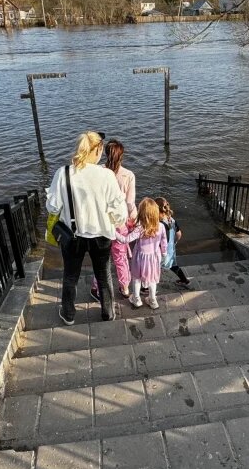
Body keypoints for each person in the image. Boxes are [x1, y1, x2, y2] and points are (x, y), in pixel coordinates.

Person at [46, 131, 127, 325]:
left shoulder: (63, 173)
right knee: (104, 276)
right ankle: (108, 313)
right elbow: (120, 214)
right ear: (99, 150)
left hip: (72, 236)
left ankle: (68, 314)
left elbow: (52, 207)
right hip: (101, 236)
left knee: (70, 276)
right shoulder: (107, 175)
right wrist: (111, 221)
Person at [92, 139, 137, 299]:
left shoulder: (97, 172)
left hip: (101, 224)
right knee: (120, 257)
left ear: (105, 154)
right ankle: (124, 287)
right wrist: (134, 219)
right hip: (120, 223)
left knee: (101, 259)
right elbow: (130, 203)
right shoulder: (128, 175)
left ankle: (97, 287)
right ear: (122, 156)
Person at [117, 198, 167, 309]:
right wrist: (164, 254)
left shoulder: (140, 228)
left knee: (136, 278)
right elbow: (164, 242)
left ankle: (136, 299)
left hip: (140, 258)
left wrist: (113, 233)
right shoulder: (161, 226)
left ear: (142, 213)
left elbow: (125, 240)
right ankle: (153, 300)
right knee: (152, 279)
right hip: (154, 257)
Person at [155, 197, 191, 287]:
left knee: (153, 268)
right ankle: (184, 280)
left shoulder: (159, 224)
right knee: (173, 265)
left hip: (161, 252)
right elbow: (179, 234)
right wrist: (174, 242)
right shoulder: (172, 220)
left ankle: (146, 287)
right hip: (171, 250)